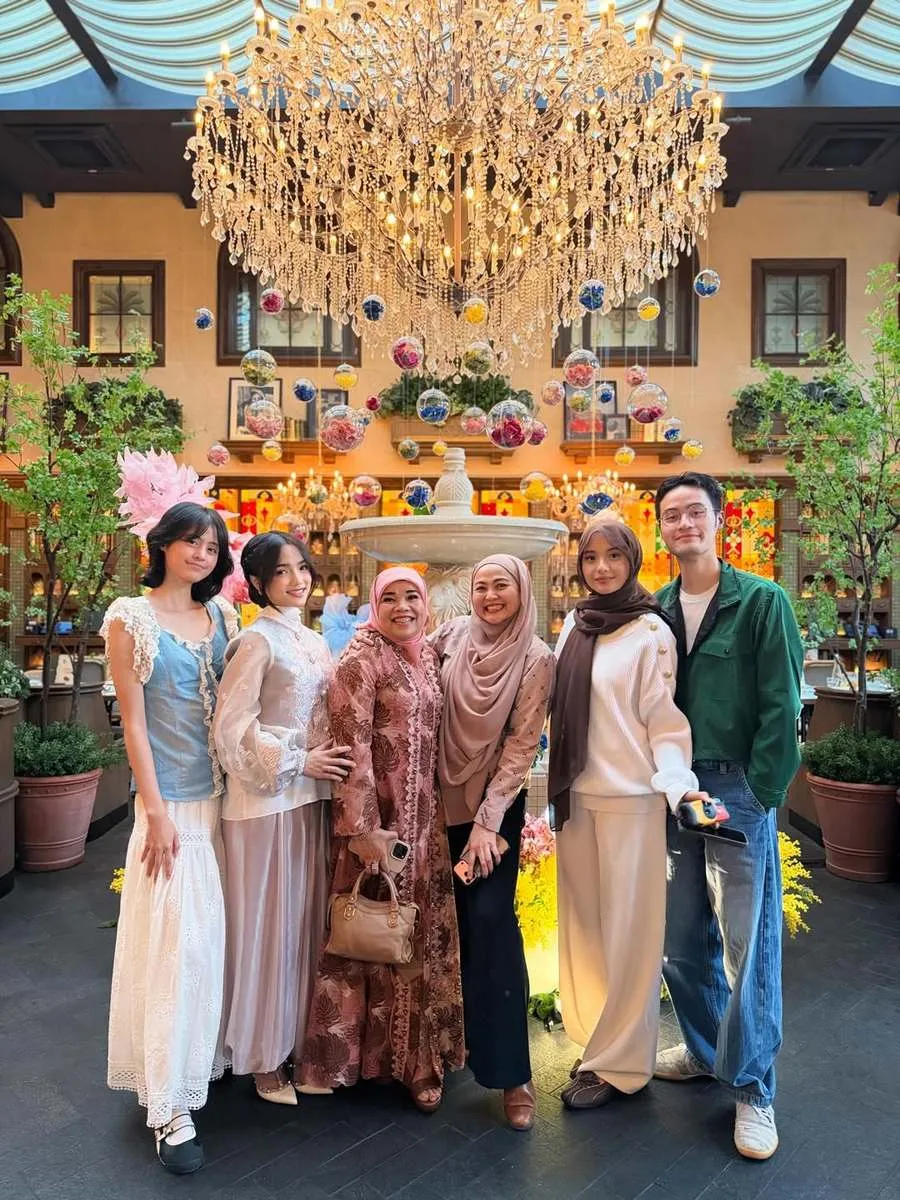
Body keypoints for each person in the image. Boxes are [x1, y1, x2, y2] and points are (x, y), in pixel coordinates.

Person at [653, 472, 803, 1161]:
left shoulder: (761, 602)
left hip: (733, 786)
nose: (684, 524)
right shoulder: (656, 610)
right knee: (681, 937)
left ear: (719, 520)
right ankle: (708, 1047)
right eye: (672, 515)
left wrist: (762, 793)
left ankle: (752, 1087)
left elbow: (782, 704)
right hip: (676, 788)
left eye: (695, 512)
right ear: (661, 528)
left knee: (748, 940)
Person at [549, 516, 708, 1112]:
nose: (602, 568)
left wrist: (677, 784)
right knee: (585, 929)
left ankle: (622, 1066)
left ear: (633, 560)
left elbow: (664, 723)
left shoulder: (650, 631)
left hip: (632, 800)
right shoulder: (575, 625)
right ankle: (598, 1043)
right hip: (577, 797)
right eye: (591, 558)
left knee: (630, 935)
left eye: (614, 556)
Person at [100, 502, 238, 1174]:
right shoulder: (130, 617)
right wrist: (153, 811)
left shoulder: (225, 617)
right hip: (173, 809)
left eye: (211, 546)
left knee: (210, 946)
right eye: (190, 541)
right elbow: (132, 724)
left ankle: (199, 1057)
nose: (201, 553)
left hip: (227, 804)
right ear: (162, 545)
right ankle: (169, 1106)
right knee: (174, 951)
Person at [298, 567, 465, 1111]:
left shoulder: (427, 657)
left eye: (411, 596)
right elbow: (350, 750)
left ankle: (418, 1062)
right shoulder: (360, 658)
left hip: (425, 825)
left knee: (415, 937)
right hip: (379, 828)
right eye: (389, 598)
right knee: (369, 934)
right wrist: (364, 830)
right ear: (374, 605)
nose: (401, 607)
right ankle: (361, 1061)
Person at [212, 533, 353, 1106]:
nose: (297, 580)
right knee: (264, 929)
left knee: (300, 926)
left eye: (302, 568)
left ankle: (294, 1043)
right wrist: (298, 760)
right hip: (264, 803)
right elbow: (230, 730)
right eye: (281, 571)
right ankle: (260, 1057)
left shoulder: (313, 641)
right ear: (257, 581)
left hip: (309, 801)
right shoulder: (254, 640)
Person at [431, 555, 554, 1131]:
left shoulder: (536, 658)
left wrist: (487, 822)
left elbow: (522, 746)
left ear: (522, 589)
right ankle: (430, 1056)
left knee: (491, 924)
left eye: (501, 584)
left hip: (491, 812)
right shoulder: (452, 635)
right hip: (434, 803)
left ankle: (511, 1073)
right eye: (480, 586)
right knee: (436, 929)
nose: (489, 596)